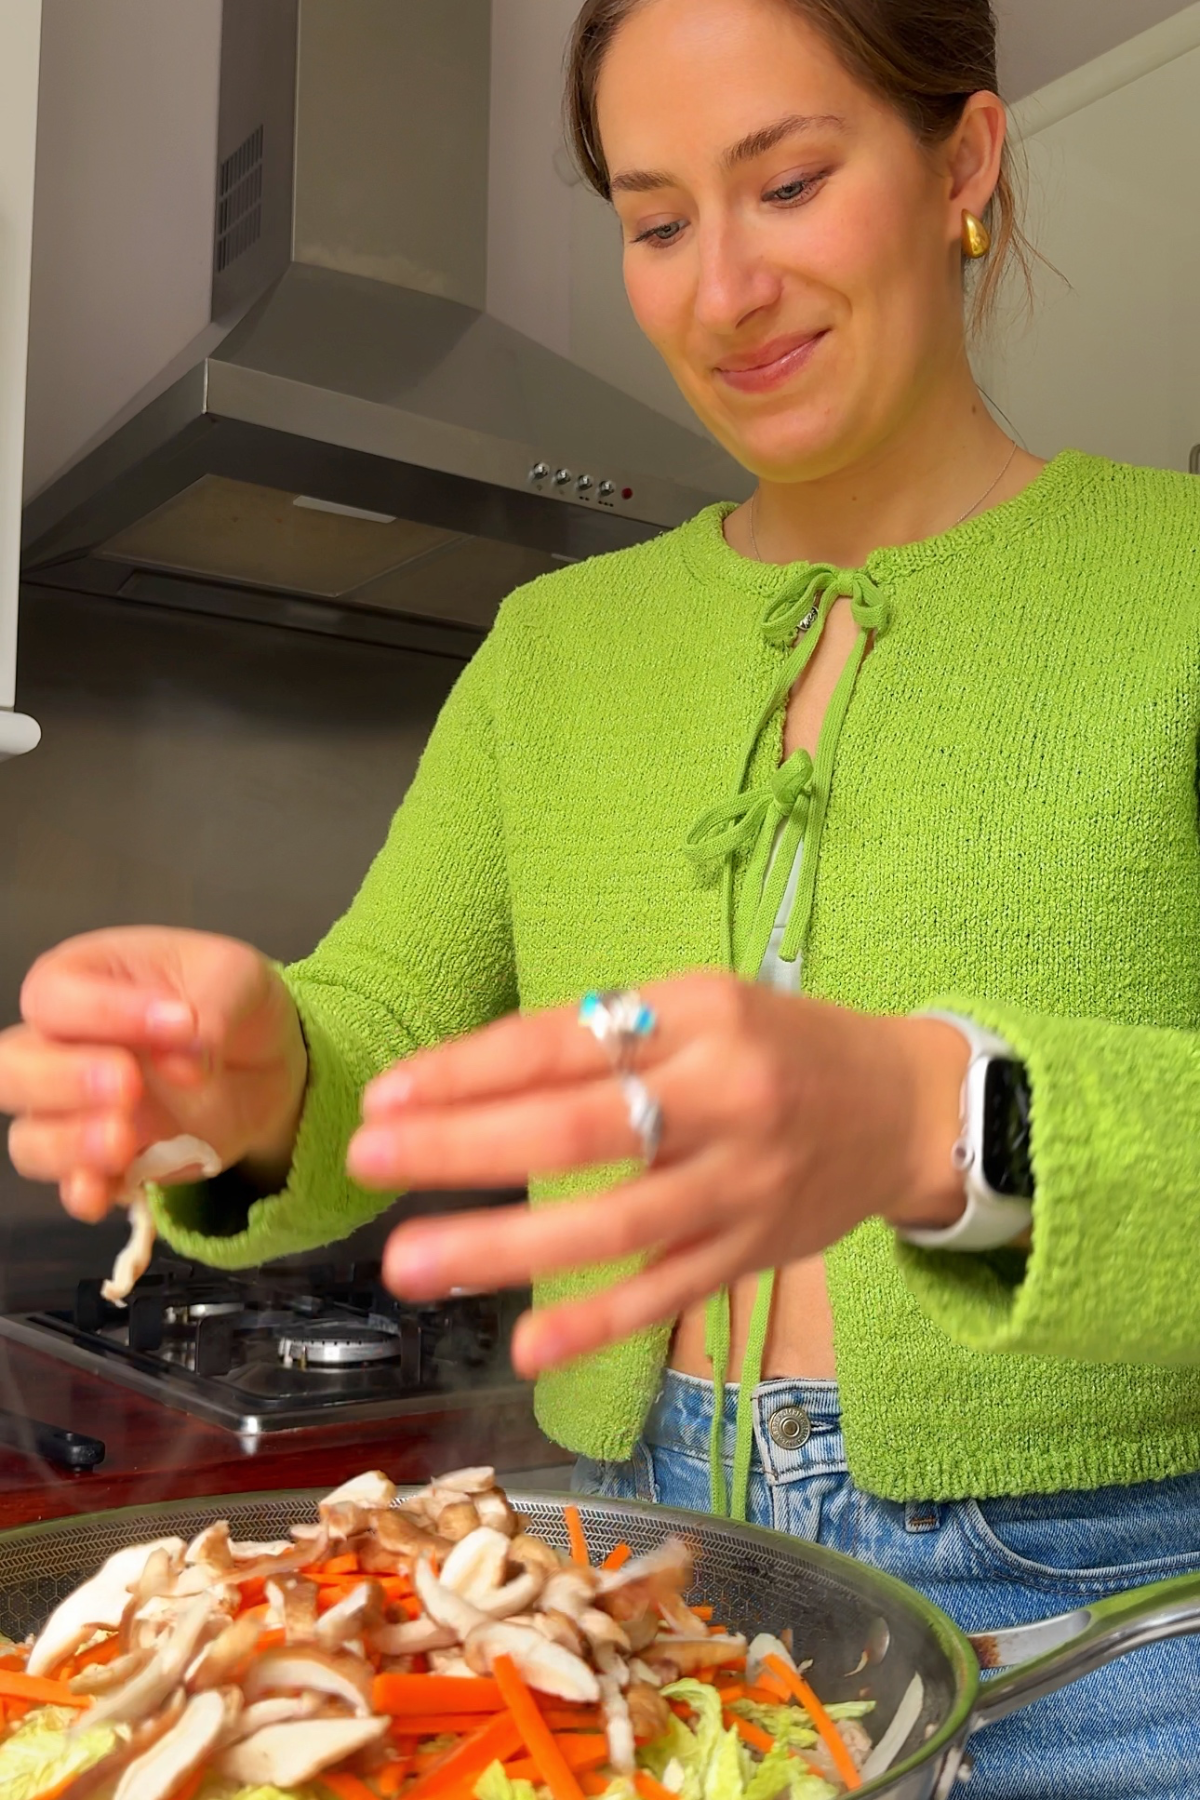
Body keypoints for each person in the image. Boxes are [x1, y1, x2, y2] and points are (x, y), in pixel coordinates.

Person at [4, 0, 1200, 1788]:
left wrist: (953, 1119)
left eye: (786, 182)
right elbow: (379, 1032)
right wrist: (253, 1099)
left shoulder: (1174, 588)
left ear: (964, 162)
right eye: (653, 221)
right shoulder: (553, 650)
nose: (721, 291)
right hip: (627, 1601)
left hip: (1109, 1630)